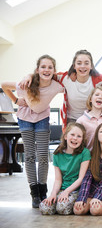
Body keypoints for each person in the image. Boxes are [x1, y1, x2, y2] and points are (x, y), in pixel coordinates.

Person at [1, 54, 64, 208]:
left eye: (50, 67)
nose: (46, 70)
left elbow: (70, 81)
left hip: (42, 118)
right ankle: (34, 193)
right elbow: (3, 84)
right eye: (43, 67)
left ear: (54, 71)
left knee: (42, 155)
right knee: (29, 155)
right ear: (37, 69)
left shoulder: (56, 85)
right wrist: (16, 100)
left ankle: (43, 190)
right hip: (25, 118)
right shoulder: (26, 82)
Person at [19, 50, 102, 127]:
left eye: (86, 63)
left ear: (91, 66)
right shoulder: (66, 78)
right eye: (79, 63)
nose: (82, 66)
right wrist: (29, 76)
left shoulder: (98, 80)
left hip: (91, 118)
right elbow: (46, 75)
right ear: (74, 66)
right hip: (71, 120)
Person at [39, 123, 91, 215]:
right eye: (72, 135)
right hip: (62, 189)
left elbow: (81, 179)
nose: (75, 138)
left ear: (82, 140)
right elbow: (58, 179)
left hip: (76, 190)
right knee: (45, 208)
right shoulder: (57, 154)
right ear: (66, 136)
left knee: (62, 208)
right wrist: (53, 194)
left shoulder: (85, 153)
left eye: (79, 136)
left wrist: (67, 192)